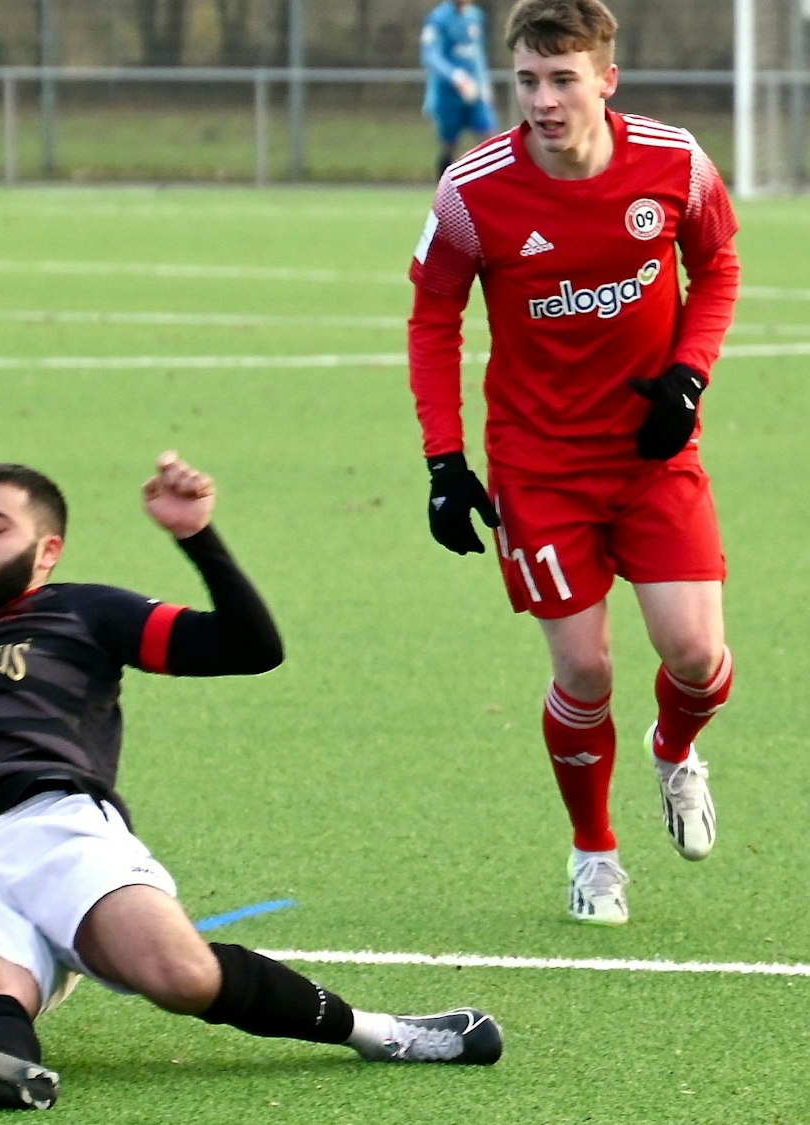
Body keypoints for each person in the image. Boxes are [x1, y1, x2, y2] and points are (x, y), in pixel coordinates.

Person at [0, 457, 505, 1109]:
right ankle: (0, 1068)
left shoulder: (80, 610)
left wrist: (197, 536)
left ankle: (382, 1032)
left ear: (47, 550)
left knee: (179, 974)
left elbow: (249, 646)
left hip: (58, 827)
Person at [407, 0, 738, 926]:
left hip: (650, 453)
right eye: (528, 81)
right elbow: (434, 316)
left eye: (562, 79)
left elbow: (717, 266)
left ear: (605, 79)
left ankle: (674, 751)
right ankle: (595, 852)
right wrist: (443, 459)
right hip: (539, 466)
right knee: (585, 669)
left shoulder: (675, 161)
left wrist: (687, 375)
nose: (543, 101)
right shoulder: (472, 191)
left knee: (697, 654)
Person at [421, 0, 498, 178]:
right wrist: (456, 77)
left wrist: (484, 86)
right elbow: (431, 55)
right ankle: (443, 192)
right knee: (449, 144)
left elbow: (478, 54)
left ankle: (493, 186)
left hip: (475, 93)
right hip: (448, 95)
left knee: (490, 139)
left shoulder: (476, 16)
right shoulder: (438, 18)